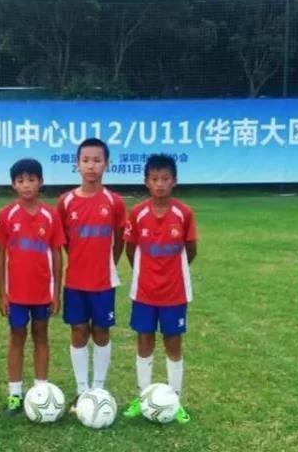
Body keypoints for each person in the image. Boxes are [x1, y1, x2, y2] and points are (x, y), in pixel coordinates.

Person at [121, 154, 197, 424]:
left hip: (175, 292)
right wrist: (147, 272)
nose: (160, 184)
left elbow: (190, 249)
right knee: (144, 340)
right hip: (144, 292)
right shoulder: (138, 213)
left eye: (165, 178)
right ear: (146, 182)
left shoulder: (184, 213)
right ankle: (143, 396)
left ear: (174, 181)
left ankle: (175, 400)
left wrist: (170, 271)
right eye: (154, 179)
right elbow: (130, 249)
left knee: (173, 342)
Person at [57, 138, 126, 410]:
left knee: (101, 331)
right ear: (77, 164)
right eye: (85, 160)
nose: (91, 166)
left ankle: (98, 387)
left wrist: (107, 264)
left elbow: (119, 240)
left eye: (97, 160)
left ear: (106, 164)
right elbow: (64, 241)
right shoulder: (65, 202)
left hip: (103, 281)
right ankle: (81, 390)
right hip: (75, 280)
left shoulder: (114, 202)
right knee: (78, 331)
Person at [0, 158, 65, 414]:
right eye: (21, 180)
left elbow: (56, 254)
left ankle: (40, 390)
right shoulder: (6, 215)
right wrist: (3, 294)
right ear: (13, 184)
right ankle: (15, 394)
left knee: (41, 335)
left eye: (31, 180)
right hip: (16, 293)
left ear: (40, 182)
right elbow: (0, 254)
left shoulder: (50, 215)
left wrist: (56, 293)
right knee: (16, 337)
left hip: (42, 292)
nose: (26, 185)